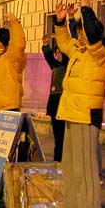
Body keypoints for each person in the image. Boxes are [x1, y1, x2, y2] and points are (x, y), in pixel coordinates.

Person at [51, 0, 105, 208]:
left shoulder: (101, 52)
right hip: (71, 111)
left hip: (86, 113)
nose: (79, 34)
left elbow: (92, 34)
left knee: (86, 166)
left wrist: (86, 10)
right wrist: (60, 22)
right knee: (71, 165)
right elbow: (64, 42)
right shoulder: (79, 50)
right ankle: (72, 207)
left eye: (82, 30)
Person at [42, 33, 68, 162]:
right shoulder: (56, 66)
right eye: (56, 52)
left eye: (59, 52)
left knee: (62, 137)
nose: (57, 55)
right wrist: (46, 45)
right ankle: (57, 160)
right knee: (57, 137)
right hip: (54, 107)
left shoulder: (67, 67)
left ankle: (61, 160)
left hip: (63, 106)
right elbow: (49, 58)